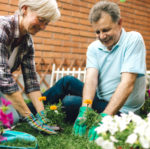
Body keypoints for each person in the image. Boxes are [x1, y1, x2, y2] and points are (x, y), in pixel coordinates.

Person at [30, 0, 145, 140]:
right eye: (98, 31)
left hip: (124, 112)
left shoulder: (133, 40)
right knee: (67, 81)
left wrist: (105, 117)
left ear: (119, 23)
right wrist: (85, 109)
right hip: (101, 100)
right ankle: (27, 113)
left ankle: (32, 113)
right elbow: (91, 80)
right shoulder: (94, 47)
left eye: (106, 30)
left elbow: (127, 84)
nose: (102, 36)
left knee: (68, 102)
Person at [0, 0, 60, 134]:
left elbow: (31, 82)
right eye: (41, 19)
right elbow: (3, 76)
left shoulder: (27, 42)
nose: (43, 27)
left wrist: (42, 117)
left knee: (11, 119)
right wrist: (31, 119)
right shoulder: (2, 27)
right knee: (8, 119)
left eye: (47, 23)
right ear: (25, 9)